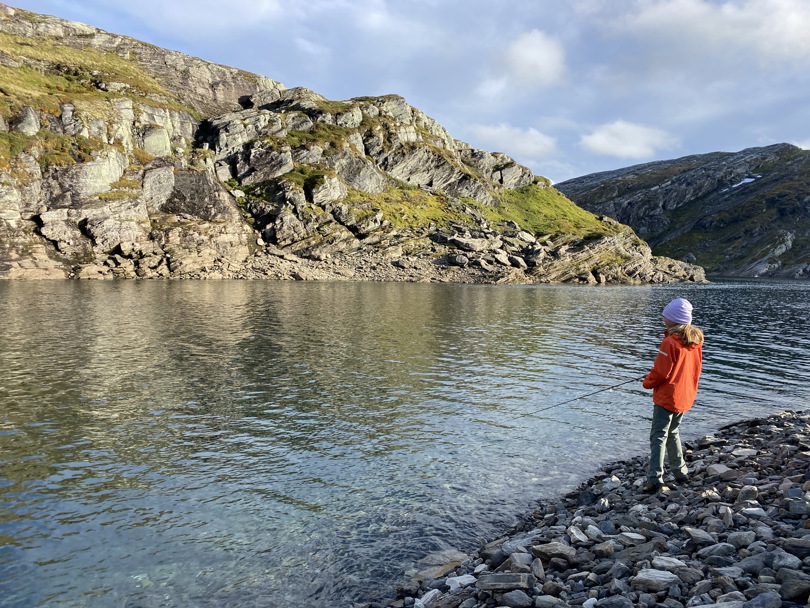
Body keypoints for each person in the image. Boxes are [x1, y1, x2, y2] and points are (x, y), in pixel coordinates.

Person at [641, 297, 704, 493]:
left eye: (666, 315)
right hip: (685, 395)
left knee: (658, 436)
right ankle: (680, 472)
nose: (663, 318)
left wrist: (647, 382)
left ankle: (655, 478)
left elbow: (661, 372)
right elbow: (694, 370)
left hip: (668, 396)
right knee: (673, 432)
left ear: (674, 319)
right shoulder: (695, 340)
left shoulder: (670, 342)